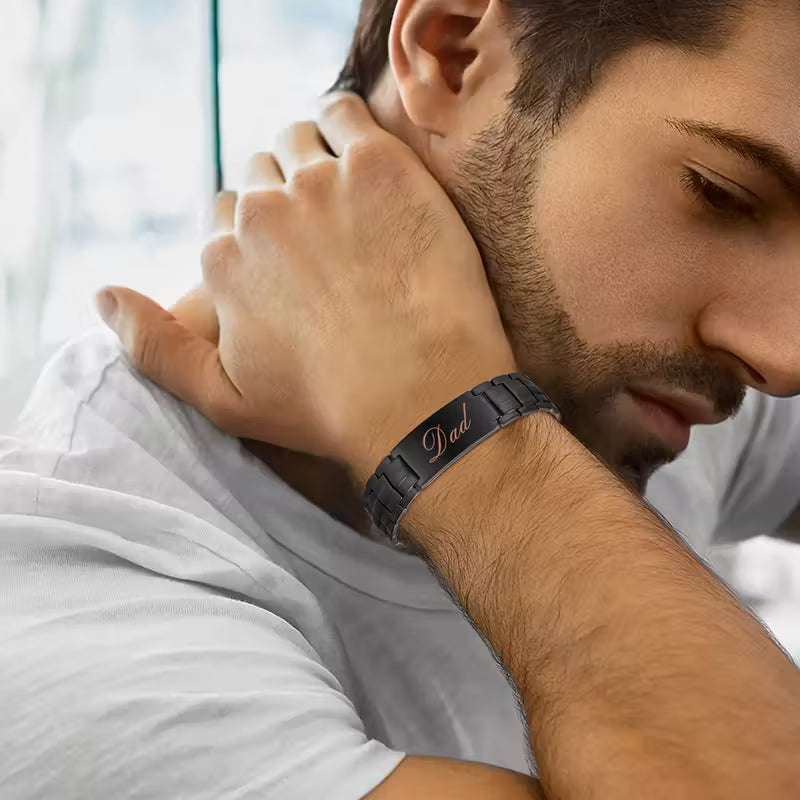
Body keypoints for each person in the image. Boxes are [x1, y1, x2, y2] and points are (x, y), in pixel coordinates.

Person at [2, 0, 800, 797]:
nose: (783, 358)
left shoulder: (623, 378)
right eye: (721, 195)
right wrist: (463, 439)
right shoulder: (92, 618)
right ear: (452, 55)